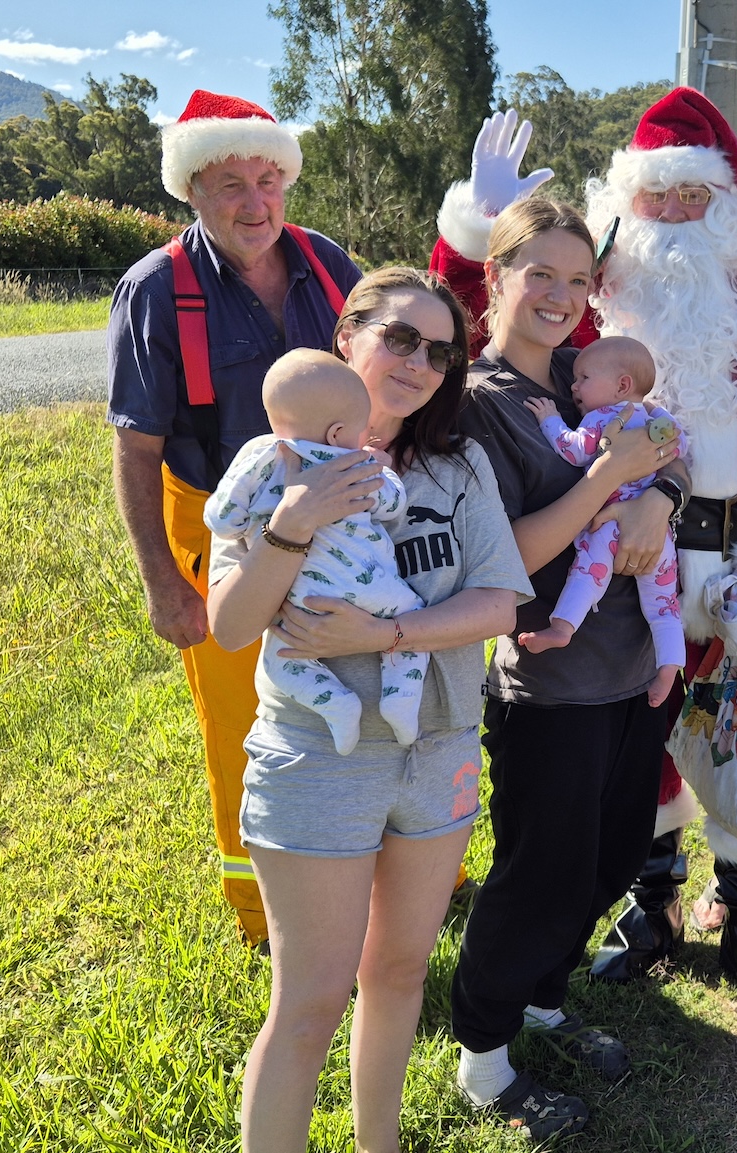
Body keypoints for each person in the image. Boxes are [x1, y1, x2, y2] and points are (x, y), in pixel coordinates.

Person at [435, 93, 737, 1024]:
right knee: (636, 753)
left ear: (728, 204)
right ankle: (650, 906)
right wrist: (476, 223)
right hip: (609, 571)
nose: (672, 215)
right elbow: (473, 320)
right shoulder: (592, 290)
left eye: (692, 197)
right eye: (656, 197)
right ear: (629, 198)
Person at [207, 266, 534, 1150]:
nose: (419, 362)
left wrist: (385, 635)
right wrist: (295, 522)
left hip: (438, 750)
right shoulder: (271, 462)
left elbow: (501, 603)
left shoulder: (458, 466)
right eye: (400, 337)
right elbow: (229, 625)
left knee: (398, 974)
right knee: (310, 1002)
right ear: (347, 337)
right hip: (318, 756)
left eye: (441, 351)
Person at [443, 195, 684, 1139]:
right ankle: (484, 1058)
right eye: (538, 272)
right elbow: (503, 555)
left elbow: (665, 443)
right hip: (551, 682)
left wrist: (660, 496)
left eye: (578, 279)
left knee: (612, 856)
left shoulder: (589, 373)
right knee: (539, 871)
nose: (560, 294)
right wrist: (607, 482)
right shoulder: (480, 401)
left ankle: (544, 1000)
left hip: (633, 666)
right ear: (496, 275)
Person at [107, 89, 363, 948]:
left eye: (268, 180)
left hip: (339, 518)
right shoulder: (155, 290)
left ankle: (395, 868)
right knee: (244, 725)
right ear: (192, 190)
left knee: (359, 684)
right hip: (219, 525)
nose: (256, 204)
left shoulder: (330, 265)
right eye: (230, 186)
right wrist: (162, 585)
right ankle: (265, 914)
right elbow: (135, 450)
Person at [203, 350, 424, 755]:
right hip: (366, 586)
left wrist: (257, 516)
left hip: (293, 601)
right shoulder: (354, 463)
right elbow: (393, 505)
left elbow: (220, 519)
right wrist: (382, 469)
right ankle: (401, 698)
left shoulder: (259, 459)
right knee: (411, 616)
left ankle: (337, 705)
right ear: (338, 433)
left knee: (281, 661)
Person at [517, 335, 687, 708]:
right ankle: (669, 667)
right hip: (658, 534)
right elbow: (680, 446)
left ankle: (562, 627)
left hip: (610, 526)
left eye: (584, 378)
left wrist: (550, 419)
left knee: (586, 574)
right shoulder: (655, 418)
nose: (574, 386)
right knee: (664, 606)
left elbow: (574, 450)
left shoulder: (602, 417)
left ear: (622, 386)